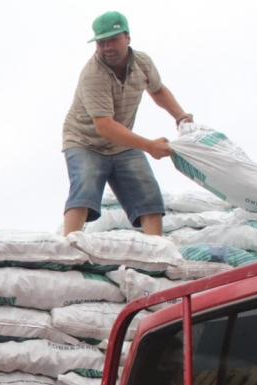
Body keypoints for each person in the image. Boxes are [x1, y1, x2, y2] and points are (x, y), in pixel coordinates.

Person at [61, 11, 193, 236]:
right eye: (101, 42)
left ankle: (156, 251)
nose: (107, 47)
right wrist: (150, 146)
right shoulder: (93, 74)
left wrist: (180, 116)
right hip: (85, 142)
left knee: (148, 193)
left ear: (127, 38)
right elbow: (104, 126)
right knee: (85, 186)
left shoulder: (142, 63)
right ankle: (68, 246)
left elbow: (158, 89)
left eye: (113, 39)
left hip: (121, 142)